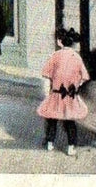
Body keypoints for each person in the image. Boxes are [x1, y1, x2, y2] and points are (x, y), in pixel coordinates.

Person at [37, 28, 91, 156]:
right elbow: (84, 77)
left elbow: (46, 73)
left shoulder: (56, 55)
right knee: (70, 121)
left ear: (60, 42)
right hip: (70, 95)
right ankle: (71, 146)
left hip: (56, 93)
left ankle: (50, 143)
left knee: (52, 119)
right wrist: (76, 86)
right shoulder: (76, 57)